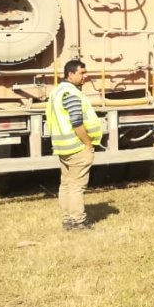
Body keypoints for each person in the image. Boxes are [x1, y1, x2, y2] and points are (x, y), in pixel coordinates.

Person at [45, 59, 102, 231]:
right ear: (70, 74)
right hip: (77, 146)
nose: (85, 76)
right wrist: (88, 144)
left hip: (63, 147)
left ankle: (68, 220)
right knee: (77, 186)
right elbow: (77, 122)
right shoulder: (72, 94)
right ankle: (78, 222)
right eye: (82, 73)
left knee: (66, 184)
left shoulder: (56, 92)